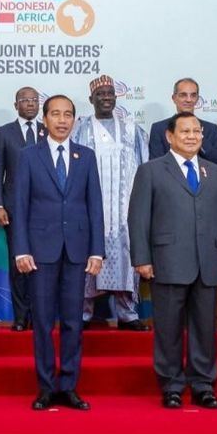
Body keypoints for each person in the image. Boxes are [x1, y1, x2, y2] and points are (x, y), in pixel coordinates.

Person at [130, 112, 217, 410]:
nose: (192, 136)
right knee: (168, 329)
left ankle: (203, 385)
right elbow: (139, 218)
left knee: (205, 328)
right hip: (167, 261)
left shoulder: (215, 172)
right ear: (169, 136)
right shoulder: (151, 170)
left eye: (197, 131)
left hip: (209, 262)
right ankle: (171, 385)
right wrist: (141, 258)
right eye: (185, 131)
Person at [14, 95, 105, 410]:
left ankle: (68, 385)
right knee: (41, 322)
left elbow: (95, 204)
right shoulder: (28, 156)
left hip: (77, 251)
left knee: (73, 322)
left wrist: (97, 250)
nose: (62, 120)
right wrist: (21, 248)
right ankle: (45, 387)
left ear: (74, 120)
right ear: (45, 119)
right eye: (55, 114)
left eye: (68, 115)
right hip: (39, 252)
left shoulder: (86, 156)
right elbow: (20, 205)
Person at [72, 75, 149, 331]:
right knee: (88, 258)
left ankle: (127, 313)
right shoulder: (80, 129)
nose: (106, 98)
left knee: (127, 257)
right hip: (90, 207)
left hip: (125, 210)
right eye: (101, 94)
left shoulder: (131, 128)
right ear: (91, 99)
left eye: (110, 94)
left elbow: (145, 165)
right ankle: (84, 313)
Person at [0, 87, 45, 331]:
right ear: (16, 105)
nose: (31, 104)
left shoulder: (49, 130)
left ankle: (40, 314)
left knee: (43, 263)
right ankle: (21, 316)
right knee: (18, 264)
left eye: (35, 100)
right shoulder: (4, 133)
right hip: (13, 209)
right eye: (25, 100)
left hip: (45, 209)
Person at [148, 78, 217, 166]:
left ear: (197, 99)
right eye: (183, 95)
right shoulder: (159, 128)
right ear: (174, 98)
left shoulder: (211, 129)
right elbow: (156, 165)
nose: (188, 100)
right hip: (169, 178)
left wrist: (198, 134)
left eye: (193, 95)